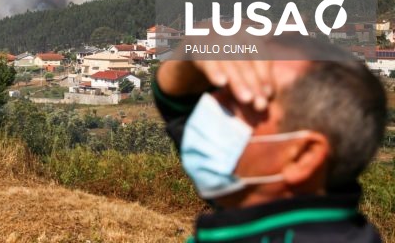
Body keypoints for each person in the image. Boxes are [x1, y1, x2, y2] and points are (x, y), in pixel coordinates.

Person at [154, 34, 386, 242]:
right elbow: (176, 99)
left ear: (303, 157)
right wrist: (195, 48)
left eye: (243, 98)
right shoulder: (260, 204)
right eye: (220, 88)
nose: (210, 104)